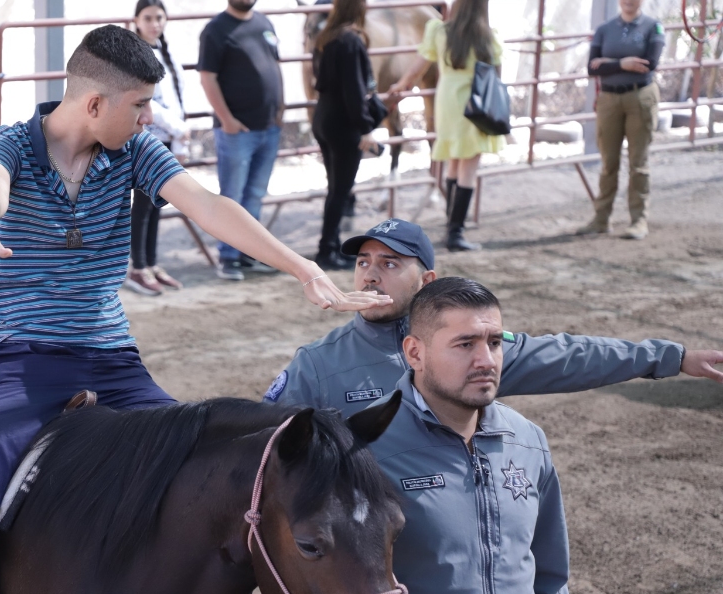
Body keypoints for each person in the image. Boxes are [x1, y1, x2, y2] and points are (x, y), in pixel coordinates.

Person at [0, 25, 391, 594]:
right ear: (95, 104)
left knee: (220, 490)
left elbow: (209, 205)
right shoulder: (8, 144)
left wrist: (303, 268)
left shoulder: (136, 151)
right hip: (25, 363)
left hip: (115, 361)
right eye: (141, 105)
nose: (149, 118)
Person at [265, 217, 723, 413]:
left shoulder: (472, 345)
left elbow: (569, 356)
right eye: (364, 262)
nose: (370, 274)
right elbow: (260, 455)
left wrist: (674, 357)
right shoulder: (317, 366)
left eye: (390, 264)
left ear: (427, 281)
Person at [372, 277, 574, 594]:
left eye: (494, 343)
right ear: (415, 353)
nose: (486, 361)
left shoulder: (527, 440)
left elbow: (549, 571)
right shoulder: (364, 448)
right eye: (465, 344)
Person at [390, 0, 504, 252]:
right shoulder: (488, 36)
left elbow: (419, 66)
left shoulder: (439, 31)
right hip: (475, 104)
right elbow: (496, 73)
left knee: (453, 162)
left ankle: (450, 225)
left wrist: (401, 85)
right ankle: (455, 232)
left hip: (447, 102)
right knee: (468, 169)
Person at [199, 0, 285, 280]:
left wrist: (280, 109)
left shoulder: (264, 23)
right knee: (232, 196)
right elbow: (207, 78)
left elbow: (275, 66)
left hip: (268, 126)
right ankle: (228, 257)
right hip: (236, 131)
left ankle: (249, 253)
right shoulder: (215, 30)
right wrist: (226, 120)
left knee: (255, 195)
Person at [579, 0, 665, 240]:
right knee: (609, 162)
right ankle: (601, 218)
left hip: (640, 96)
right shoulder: (604, 29)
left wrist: (608, 63)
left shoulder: (653, 27)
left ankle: (639, 220)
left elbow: (650, 64)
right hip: (609, 100)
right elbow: (592, 68)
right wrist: (624, 64)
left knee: (638, 162)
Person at [309, 0, 381, 270]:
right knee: (340, 189)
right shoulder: (350, 41)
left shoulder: (326, 37)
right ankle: (327, 250)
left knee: (335, 188)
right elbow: (355, 90)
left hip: (324, 117)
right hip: (343, 123)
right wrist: (365, 127)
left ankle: (330, 245)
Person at [125, 0, 190, 296]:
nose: (155, 24)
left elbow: (177, 95)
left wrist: (179, 136)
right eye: (148, 18)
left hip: (168, 136)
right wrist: (179, 129)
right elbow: (148, 100)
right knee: (142, 204)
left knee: (157, 202)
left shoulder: (166, 50)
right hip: (146, 136)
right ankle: (138, 267)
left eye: (159, 18)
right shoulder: (136, 55)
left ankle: (150, 263)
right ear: (137, 20)